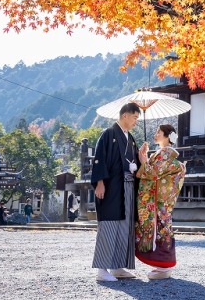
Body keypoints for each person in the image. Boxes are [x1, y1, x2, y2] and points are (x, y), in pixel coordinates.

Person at [91, 102, 145, 282]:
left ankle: (117, 266)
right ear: (125, 116)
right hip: (112, 186)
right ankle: (101, 269)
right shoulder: (109, 134)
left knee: (125, 225)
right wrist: (100, 182)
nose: (136, 122)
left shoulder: (131, 139)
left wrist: (142, 158)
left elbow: (136, 165)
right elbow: (100, 159)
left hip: (128, 186)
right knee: (110, 223)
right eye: (135, 118)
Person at [135, 124, 186, 280]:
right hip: (159, 202)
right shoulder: (160, 153)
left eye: (159, 132)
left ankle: (163, 266)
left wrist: (143, 161)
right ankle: (162, 265)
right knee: (162, 228)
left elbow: (152, 173)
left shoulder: (166, 154)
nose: (155, 134)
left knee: (161, 229)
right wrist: (144, 159)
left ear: (167, 136)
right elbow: (144, 173)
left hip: (158, 201)